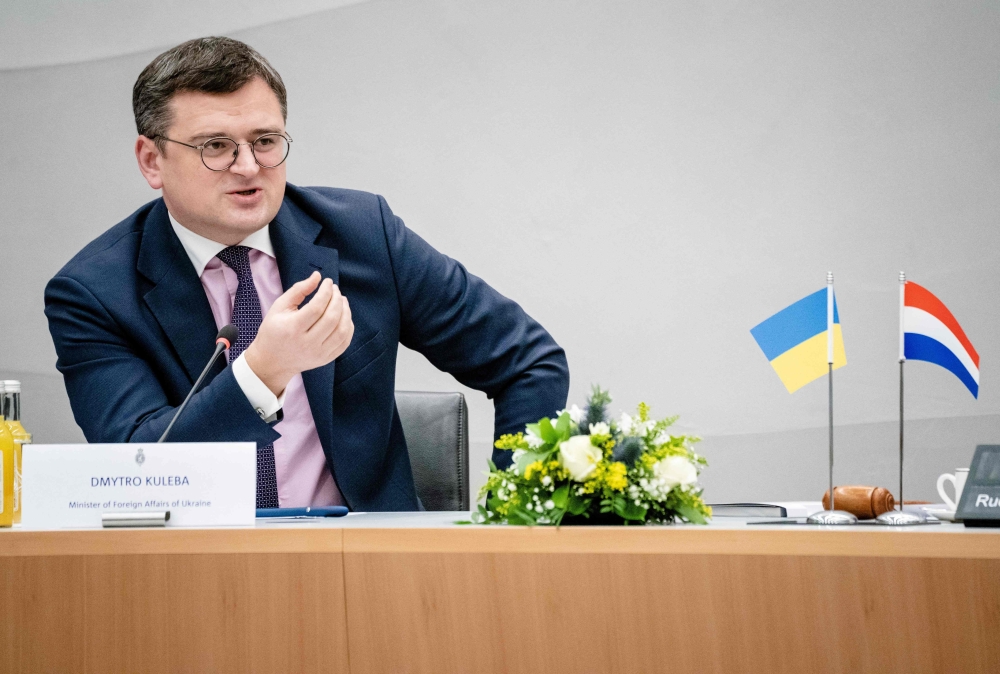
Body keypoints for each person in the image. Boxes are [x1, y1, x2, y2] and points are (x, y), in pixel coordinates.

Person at [44, 37, 569, 511]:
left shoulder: (364, 235)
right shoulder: (94, 292)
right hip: (199, 573)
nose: (248, 166)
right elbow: (138, 467)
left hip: (365, 565)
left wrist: (513, 511)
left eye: (265, 140)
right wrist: (262, 372)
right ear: (151, 161)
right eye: (215, 146)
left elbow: (528, 361)